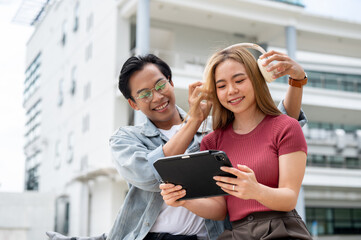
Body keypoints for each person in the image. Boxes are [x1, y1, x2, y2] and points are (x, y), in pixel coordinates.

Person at [107, 50, 307, 240]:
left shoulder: (213, 132)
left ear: (171, 82)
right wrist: (194, 120)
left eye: (160, 86)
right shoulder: (125, 139)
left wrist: (297, 82)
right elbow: (150, 175)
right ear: (133, 103)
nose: (157, 97)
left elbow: (271, 126)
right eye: (144, 94)